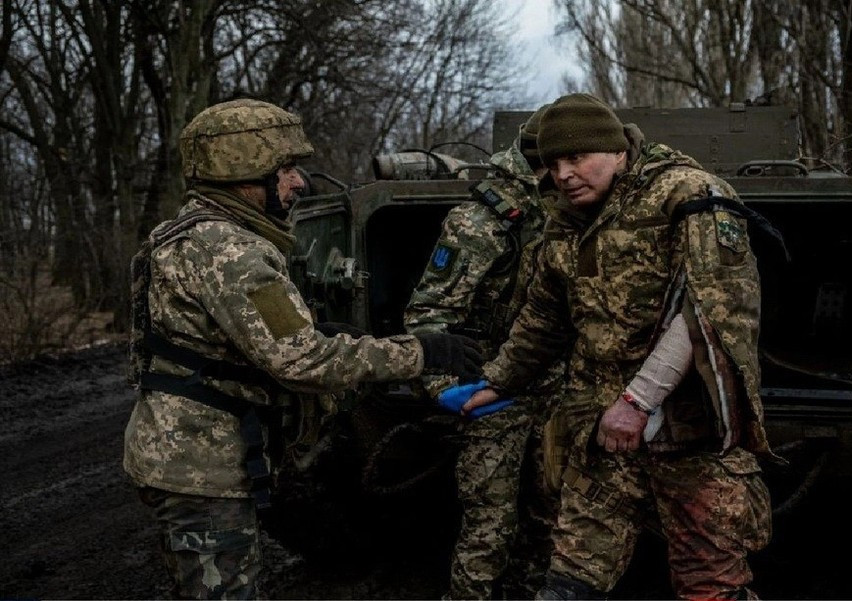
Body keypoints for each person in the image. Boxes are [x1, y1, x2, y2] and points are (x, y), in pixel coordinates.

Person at [123, 98, 483, 600]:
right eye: (286, 169)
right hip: (204, 469)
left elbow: (224, 339)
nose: (299, 184)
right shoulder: (233, 252)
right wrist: (422, 351)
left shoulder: (182, 234)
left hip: (180, 454)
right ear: (242, 171)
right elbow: (301, 360)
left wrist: (332, 332)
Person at [462, 93, 776, 600]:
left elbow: (710, 313)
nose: (563, 175)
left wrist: (637, 400)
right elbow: (544, 319)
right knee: (568, 582)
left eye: (576, 159)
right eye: (553, 164)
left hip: (687, 436)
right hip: (602, 437)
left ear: (618, 151)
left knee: (710, 585)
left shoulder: (689, 194)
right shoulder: (568, 219)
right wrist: (499, 381)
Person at [404, 104, 566, 600]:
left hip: (559, 387)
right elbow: (428, 314)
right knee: (488, 526)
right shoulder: (480, 224)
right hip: (494, 389)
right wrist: (446, 389)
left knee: (555, 517)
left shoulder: (578, 212)